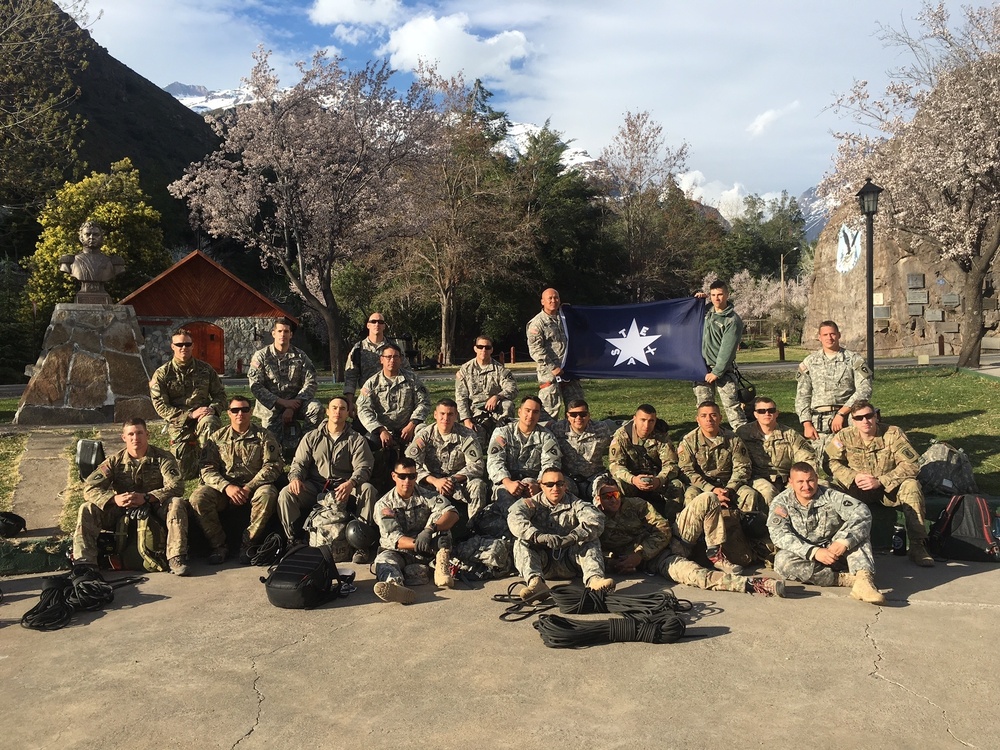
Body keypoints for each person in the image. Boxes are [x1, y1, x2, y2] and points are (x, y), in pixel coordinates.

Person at [596, 484, 783, 596]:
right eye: (607, 496)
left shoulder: (637, 505)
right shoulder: (597, 520)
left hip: (675, 538)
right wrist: (616, 564)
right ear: (598, 499)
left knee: (708, 498)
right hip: (660, 562)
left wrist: (640, 554)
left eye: (616, 495)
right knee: (696, 576)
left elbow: (662, 528)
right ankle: (755, 585)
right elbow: (594, 552)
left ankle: (714, 553)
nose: (613, 500)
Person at [73, 418, 189, 575]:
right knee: (87, 508)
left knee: (176, 503)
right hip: (122, 510)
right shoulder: (114, 461)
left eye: (140, 433)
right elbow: (90, 488)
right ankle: (85, 563)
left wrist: (147, 497)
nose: (136, 438)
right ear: (124, 438)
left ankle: (176, 557)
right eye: (131, 434)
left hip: (155, 508)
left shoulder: (163, 458)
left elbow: (177, 486)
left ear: (147, 434)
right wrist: (114, 499)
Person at [825, 400, 934, 567]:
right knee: (824, 488)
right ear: (853, 420)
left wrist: (881, 481)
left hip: (887, 490)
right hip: (856, 489)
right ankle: (827, 544)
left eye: (869, 416)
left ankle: (918, 546)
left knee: (911, 486)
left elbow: (912, 464)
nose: (865, 421)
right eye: (859, 418)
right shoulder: (844, 436)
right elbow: (831, 462)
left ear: (875, 416)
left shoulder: (893, 433)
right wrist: (853, 476)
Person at [768, 462, 885, 604]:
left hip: (836, 549)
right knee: (782, 561)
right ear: (791, 482)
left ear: (817, 479)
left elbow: (862, 512)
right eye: (800, 482)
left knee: (858, 535)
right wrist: (814, 551)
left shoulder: (831, 496)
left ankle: (864, 580)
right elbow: (779, 534)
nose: (806, 486)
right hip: (808, 554)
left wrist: (844, 541)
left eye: (810, 480)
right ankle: (846, 580)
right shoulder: (781, 502)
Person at [277, 397, 377, 557]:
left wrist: (352, 483)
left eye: (342, 408)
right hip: (316, 487)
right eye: (334, 408)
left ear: (347, 413)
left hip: (344, 488)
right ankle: (294, 541)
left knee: (368, 490)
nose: (338, 411)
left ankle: (361, 544)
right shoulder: (312, 437)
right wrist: (296, 478)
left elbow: (364, 467)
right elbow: (299, 464)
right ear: (327, 412)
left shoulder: (356, 439)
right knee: (286, 494)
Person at [189, 396, 282, 565]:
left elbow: (273, 466)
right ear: (228, 413)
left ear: (251, 412)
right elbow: (207, 468)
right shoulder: (216, 438)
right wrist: (226, 487)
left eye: (245, 410)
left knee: (268, 494)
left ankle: (248, 544)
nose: (240, 414)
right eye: (235, 410)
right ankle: (219, 546)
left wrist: (249, 487)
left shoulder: (264, 436)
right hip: (224, 490)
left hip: (253, 488)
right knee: (198, 498)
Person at [507, 468, 613, 601]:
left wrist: (573, 537)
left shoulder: (576, 504)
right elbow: (515, 519)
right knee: (521, 542)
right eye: (549, 484)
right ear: (541, 486)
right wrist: (537, 536)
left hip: (570, 561)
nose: (555, 488)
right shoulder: (531, 503)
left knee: (590, 540)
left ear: (565, 486)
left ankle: (595, 581)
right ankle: (536, 584)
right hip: (543, 562)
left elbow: (596, 520)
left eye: (559, 484)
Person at [372, 457, 460, 604]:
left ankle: (441, 570)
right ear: (394, 476)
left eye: (411, 476)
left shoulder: (427, 495)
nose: (407, 481)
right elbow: (394, 538)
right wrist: (420, 543)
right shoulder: (384, 505)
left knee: (441, 516)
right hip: (401, 552)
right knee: (383, 560)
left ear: (416, 477)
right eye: (402, 476)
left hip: (430, 550)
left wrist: (431, 529)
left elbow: (453, 513)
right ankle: (395, 587)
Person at [149, 328, 227, 480]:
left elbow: (221, 395)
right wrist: (189, 415)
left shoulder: (206, 369)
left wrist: (212, 409)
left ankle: (211, 470)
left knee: (210, 423)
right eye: (179, 344)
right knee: (184, 473)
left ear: (193, 346)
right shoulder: (162, 374)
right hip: (179, 422)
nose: (183, 347)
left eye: (187, 344)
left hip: (203, 417)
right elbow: (161, 406)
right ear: (172, 346)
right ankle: (196, 459)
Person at [356, 342, 431, 489]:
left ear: (401, 359)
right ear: (381, 359)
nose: (392, 360)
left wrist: (412, 424)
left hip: (408, 427)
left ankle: (422, 479)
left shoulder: (412, 379)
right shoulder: (372, 383)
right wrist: (380, 430)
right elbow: (363, 409)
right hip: (383, 430)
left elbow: (424, 402)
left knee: (424, 432)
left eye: (396, 357)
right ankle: (376, 481)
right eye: (388, 357)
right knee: (368, 440)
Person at [795, 320, 873, 457]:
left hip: (847, 417)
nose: (829, 338)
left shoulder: (854, 359)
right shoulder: (809, 362)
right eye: (825, 335)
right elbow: (802, 395)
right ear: (819, 337)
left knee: (853, 455)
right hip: (818, 420)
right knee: (816, 460)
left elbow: (865, 389)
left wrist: (842, 413)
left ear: (839, 335)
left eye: (832, 334)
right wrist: (806, 423)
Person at [406, 398, 489, 520]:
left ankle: (474, 526)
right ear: (435, 414)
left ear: (456, 416)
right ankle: (418, 525)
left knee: (478, 485)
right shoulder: (424, 435)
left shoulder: (467, 435)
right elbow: (410, 464)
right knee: (408, 485)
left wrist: (451, 480)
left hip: (456, 483)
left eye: (450, 414)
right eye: (442, 414)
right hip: (430, 484)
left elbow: (477, 465)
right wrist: (435, 481)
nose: (446, 418)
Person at [678, 401, 762, 514]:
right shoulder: (689, 441)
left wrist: (729, 489)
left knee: (749, 494)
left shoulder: (733, 439)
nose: (709, 419)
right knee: (691, 495)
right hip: (701, 486)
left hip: (729, 485)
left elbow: (743, 467)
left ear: (720, 418)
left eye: (713, 415)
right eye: (704, 416)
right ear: (697, 419)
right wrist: (711, 490)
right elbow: (686, 471)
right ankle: (695, 530)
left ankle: (745, 527)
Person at [248, 317, 323, 439]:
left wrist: (292, 406)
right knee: (271, 440)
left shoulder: (300, 355)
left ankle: (307, 442)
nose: (283, 334)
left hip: (296, 404)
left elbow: (311, 382)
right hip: (271, 406)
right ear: (273, 333)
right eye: (280, 331)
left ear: (291, 334)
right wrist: (282, 402)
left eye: (286, 331)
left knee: (316, 408)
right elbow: (256, 386)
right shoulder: (261, 356)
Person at [486, 395, 562, 512]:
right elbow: (494, 462)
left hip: (533, 483)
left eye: (535, 412)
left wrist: (539, 484)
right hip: (505, 481)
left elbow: (551, 465)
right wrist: (508, 482)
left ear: (539, 415)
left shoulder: (546, 436)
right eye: (527, 410)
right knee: (507, 500)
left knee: (533, 501)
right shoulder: (503, 432)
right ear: (519, 412)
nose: (530, 415)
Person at [735, 397, 816, 505]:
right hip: (756, 477)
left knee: (818, 486)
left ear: (777, 413)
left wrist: (798, 479)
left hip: (784, 478)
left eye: (771, 410)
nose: (767, 413)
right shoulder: (743, 433)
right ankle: (772, 521)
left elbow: (808, 457)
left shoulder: (789, 434)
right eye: (762, 411)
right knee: (769, 491)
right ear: (755, 414)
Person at [607, 403, 684, 515]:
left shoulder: (661, 435)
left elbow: (671, 464)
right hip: (632, 481)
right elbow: (615, 465)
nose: (646, 425)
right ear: (634, 419)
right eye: (642, 420)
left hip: (655, 480)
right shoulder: (622, 436)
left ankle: (672, 522)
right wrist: (632, 479)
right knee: (617, 484)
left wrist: (659, 480)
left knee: (676, 485)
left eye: (651, 421)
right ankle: (624, 519)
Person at [693, 279, 746, 428]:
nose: (717, 298)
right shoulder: (706, 312)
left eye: (720, 294)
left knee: (732, 408)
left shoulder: (732, 320)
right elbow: (690, 313)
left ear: (727, 294)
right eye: (713, 295)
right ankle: (705, 440)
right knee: (704, 409)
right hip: (702, 369)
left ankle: (744, 439)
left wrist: (717, 371)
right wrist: (695, 299)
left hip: (723, 371)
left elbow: (727, 349)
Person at [526, 287, 584, 420]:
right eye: (550, 298)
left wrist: (571, 312)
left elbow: (582, 329)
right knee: (549, 411)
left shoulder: (565, 318)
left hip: (569, 370)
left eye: (556, 298)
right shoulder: (537, 323)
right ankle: (549, 437)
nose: (553, 300)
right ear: (542, 302)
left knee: (576, 408)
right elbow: (535, 349)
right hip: (550, 373)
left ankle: (572, 437)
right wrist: (553, 368)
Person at [550, 399, 617, 502]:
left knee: (608, 495)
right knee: (558, 495)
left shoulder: (601, 429)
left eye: (583, 414)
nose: (578, 418)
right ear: (567, 415)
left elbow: (618, 441)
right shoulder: (557, 429)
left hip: (595, 477)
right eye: (573, 414)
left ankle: (606, 516)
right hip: (568, 478)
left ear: (589, 415)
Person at [343, 312, 411, 414]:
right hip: (368, 398)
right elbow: (351, 377)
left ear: (384, 326)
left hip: (393, 398)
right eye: (373, 321)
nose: (377, 324)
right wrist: (349, 401)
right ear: (368, 325)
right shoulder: (358, 349)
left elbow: (407, 372)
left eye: (380, 322)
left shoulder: (393, 348)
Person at [455, 335, 518, 443]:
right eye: (480, 347)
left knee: (507, 404)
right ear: (475, 348)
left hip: (496, 412)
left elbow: (513, 388)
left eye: (487, 347)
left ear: (492, 350)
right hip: (475, 414)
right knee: (476, 442)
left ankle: (504, 435)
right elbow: (461, 398)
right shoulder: (465, 369)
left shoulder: (500, 370)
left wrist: (497, 397)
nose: (483, 350)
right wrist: (466, 420)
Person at [58, 220, 125, 300]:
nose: (92, 237)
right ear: (81, 237)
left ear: (102, 237)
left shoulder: (114, 263)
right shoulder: (70, 262)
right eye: (87, 234)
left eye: (96, 235)